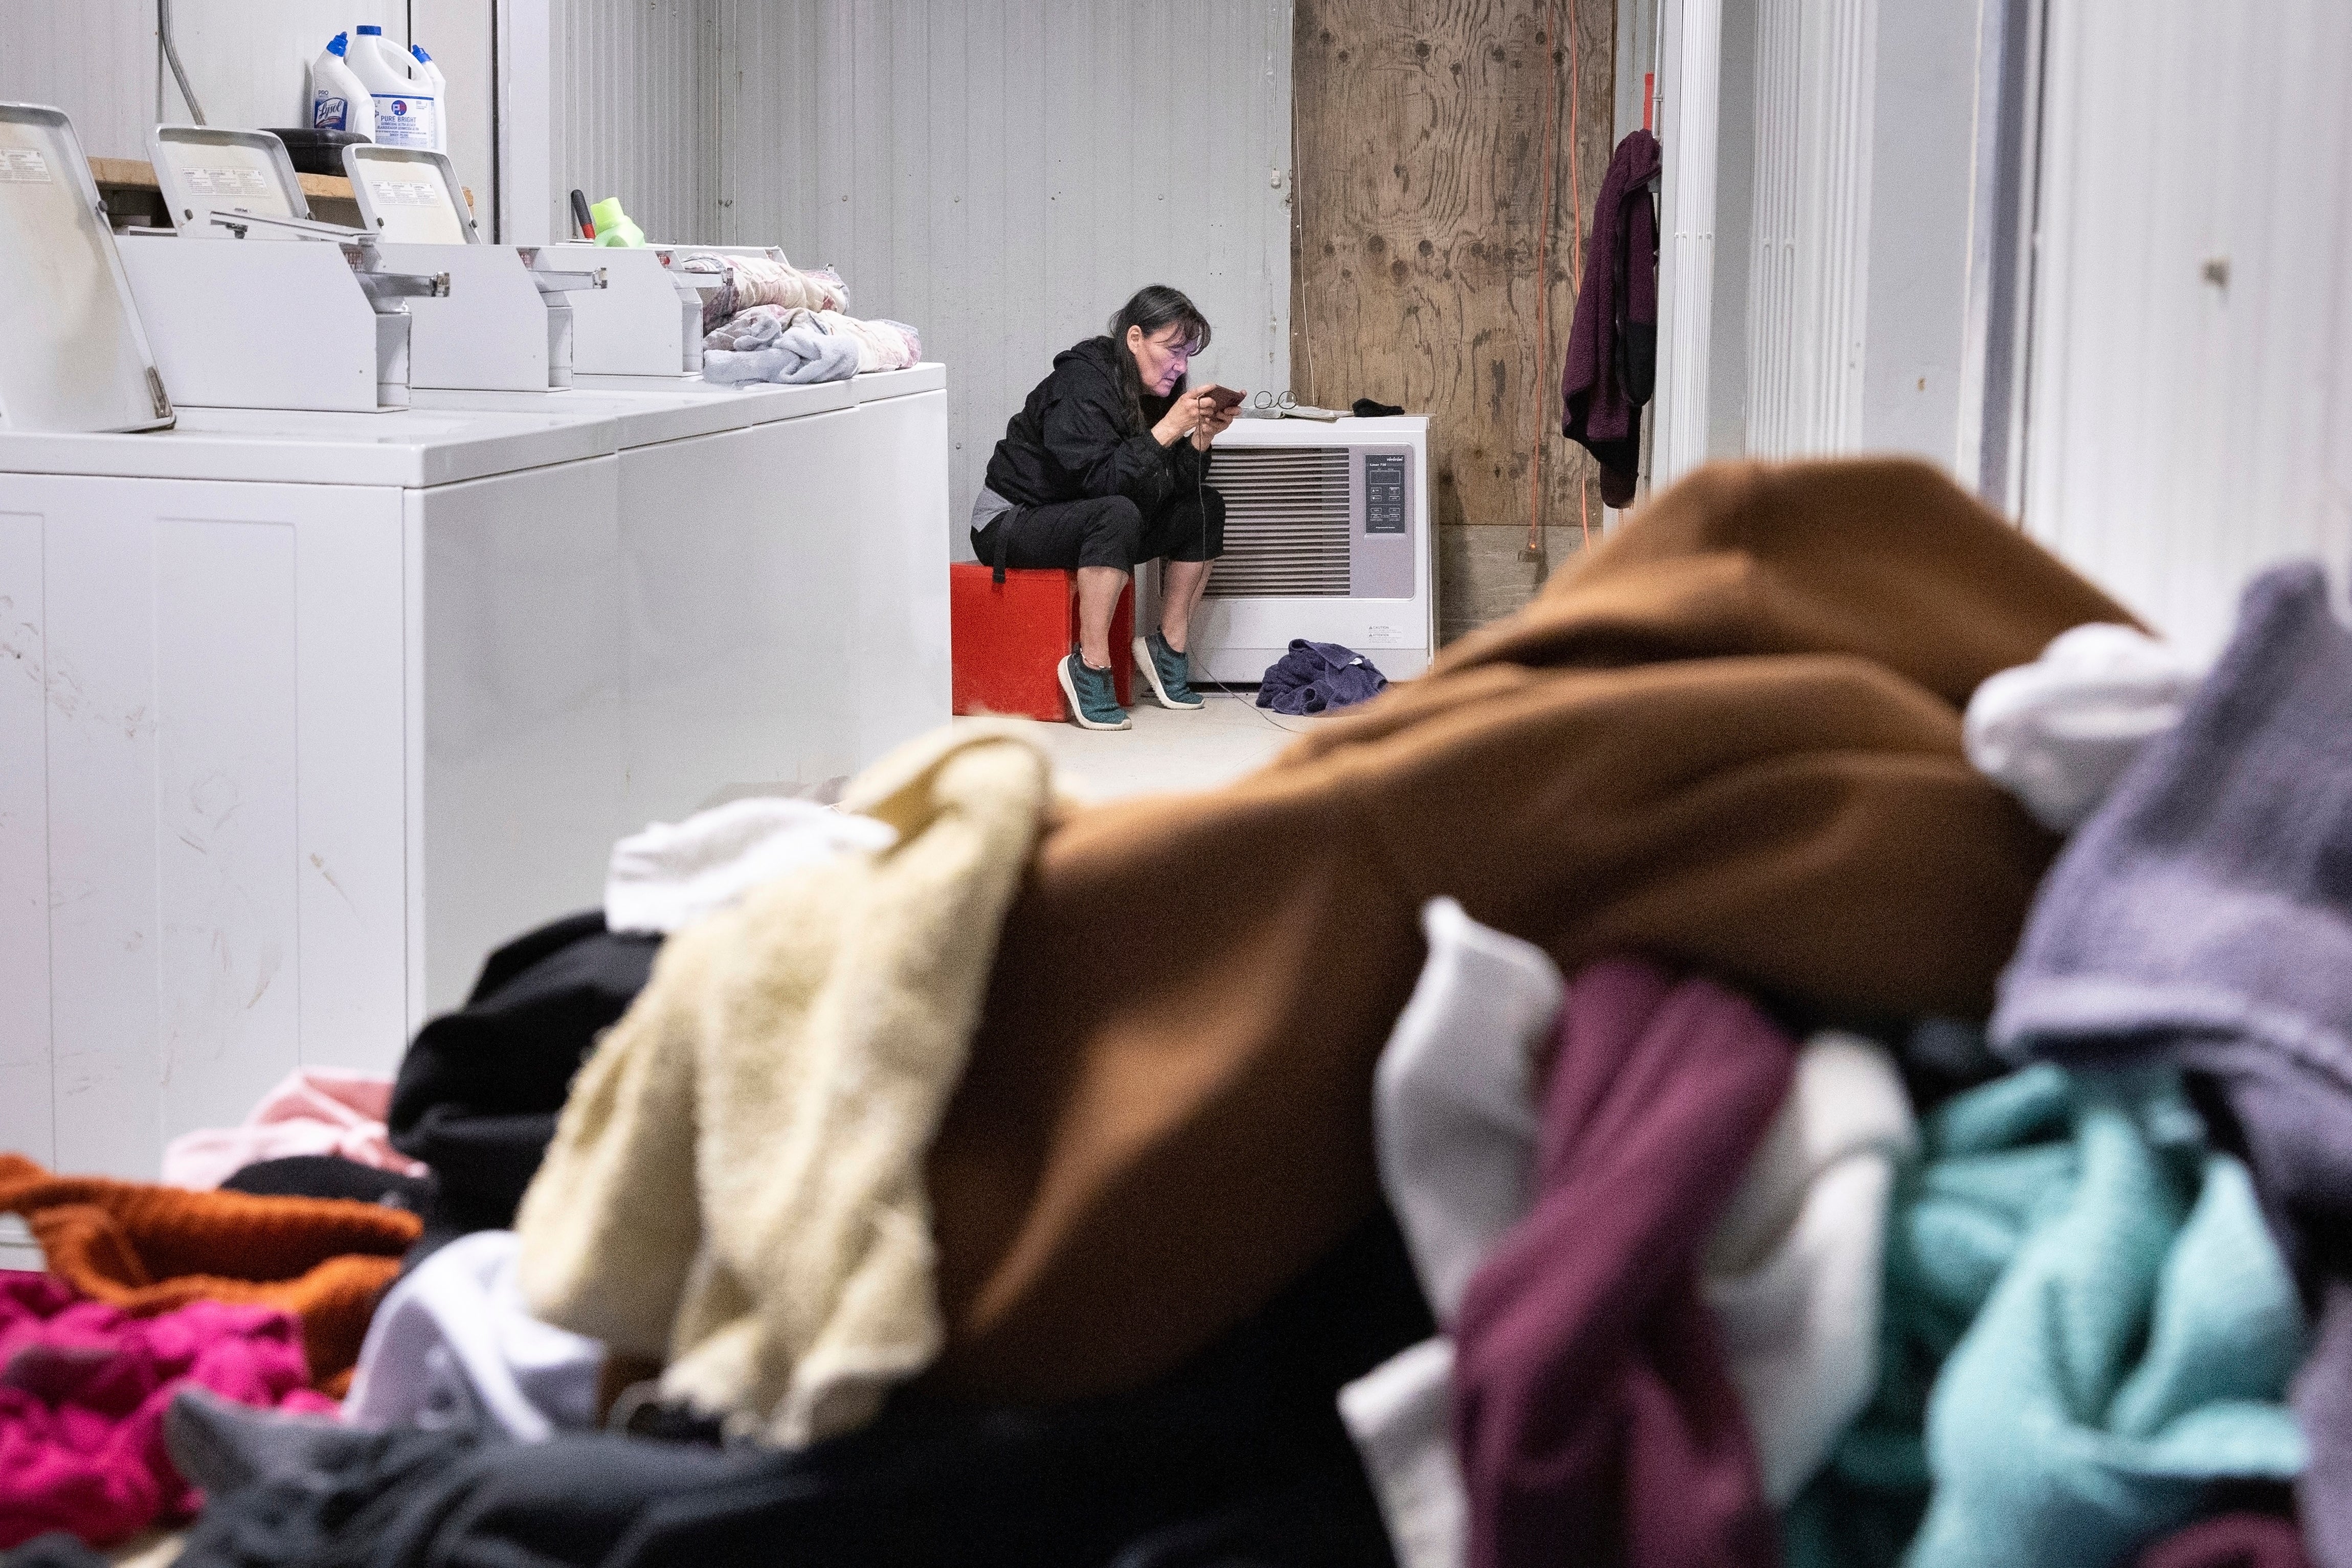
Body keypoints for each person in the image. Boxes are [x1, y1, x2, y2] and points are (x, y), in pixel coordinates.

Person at [972, 285, 1240, 731]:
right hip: (1011, 520)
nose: (1181, 365)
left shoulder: (1156, 387)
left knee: (1202, 505)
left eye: (1188, 354)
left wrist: (1199, 439)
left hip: (1086, 516)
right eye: (1172, 350)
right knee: (1115, 512)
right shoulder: (1081, 383)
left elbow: (1169, 484)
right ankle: (1091, 665)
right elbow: (1099, 483)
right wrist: (1169, 427)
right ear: (1134, 338)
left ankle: (1168, 647)